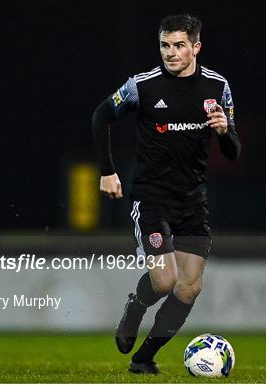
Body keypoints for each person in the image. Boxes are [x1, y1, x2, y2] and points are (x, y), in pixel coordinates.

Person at [92, 13, 241, 374]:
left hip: (192, 200)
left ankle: (144, 358)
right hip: (152, 198)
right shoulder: (142, 86)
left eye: (178, 45)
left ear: (196, 47)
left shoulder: (217, 86)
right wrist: (107, 171)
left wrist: (224, 131)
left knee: (188, 288)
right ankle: (135, 307)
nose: (170, 53)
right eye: (164, 45)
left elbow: (234, 150)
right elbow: (100, 116)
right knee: (164, 280)